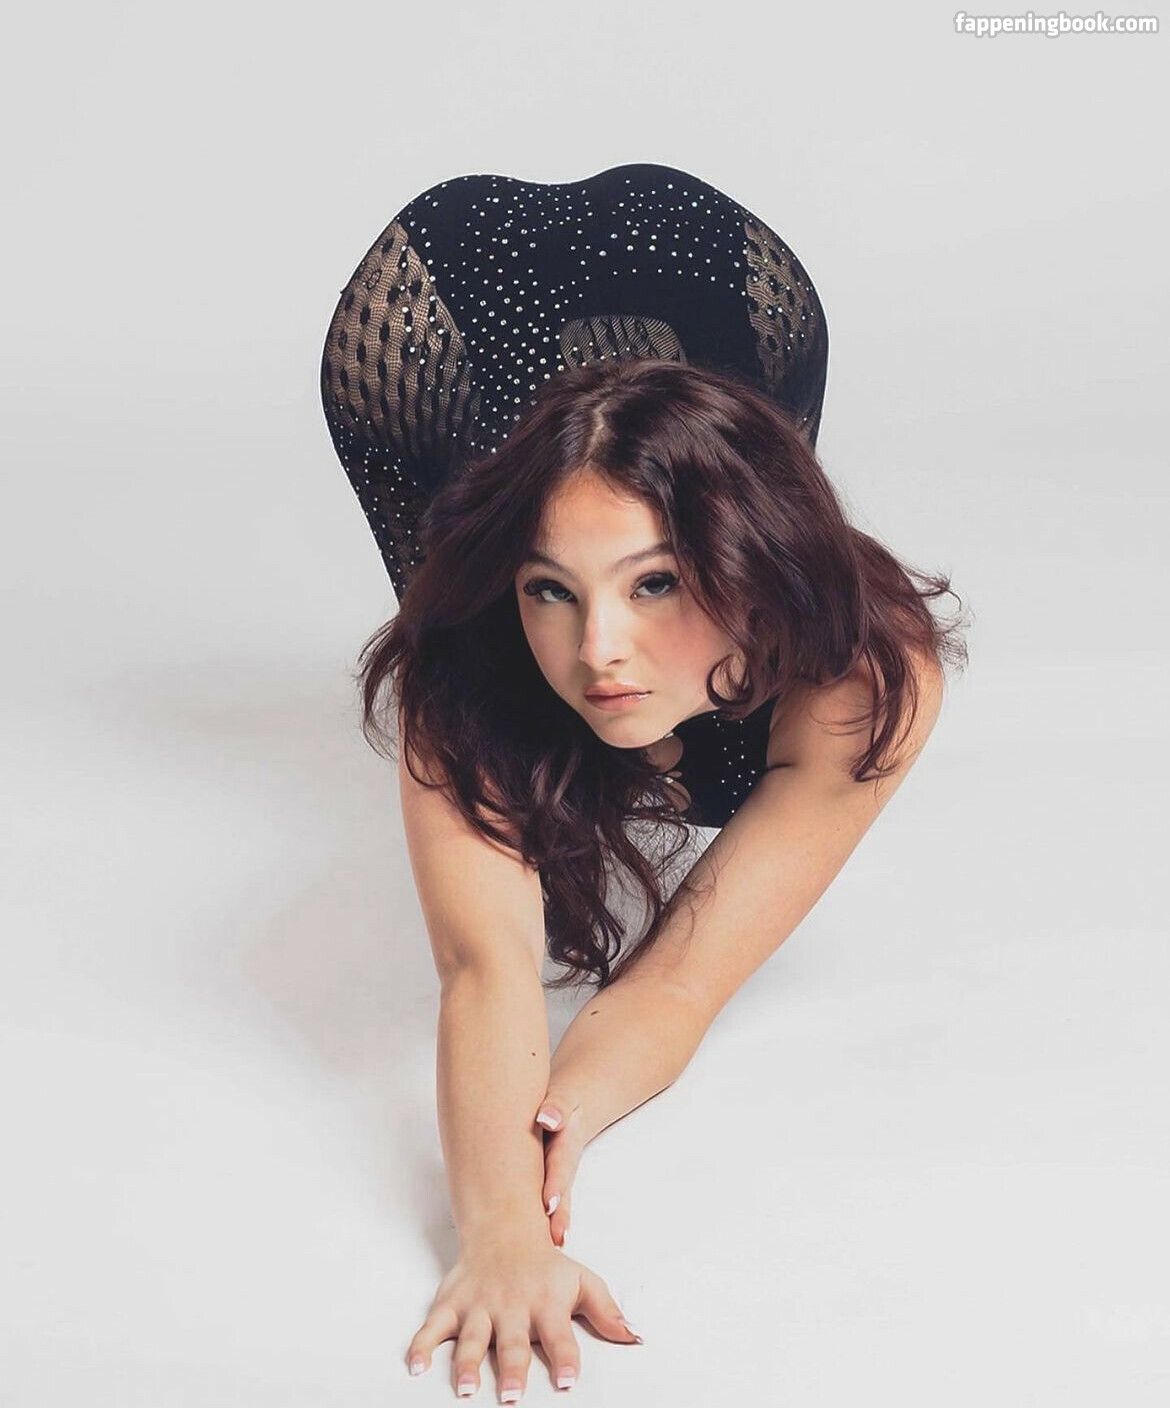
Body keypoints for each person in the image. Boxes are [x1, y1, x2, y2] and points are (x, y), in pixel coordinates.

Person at [320, 162, 967, 1400]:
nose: (598, 650)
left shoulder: (866, 671)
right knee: (477, 566)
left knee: (700, 523)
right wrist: (499, 1231)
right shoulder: (475, 666)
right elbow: (486, 966)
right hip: (441, 298)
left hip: (715, 269)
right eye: (552, 592)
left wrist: (563, 1121)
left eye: (656, 582)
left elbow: (677, 984)